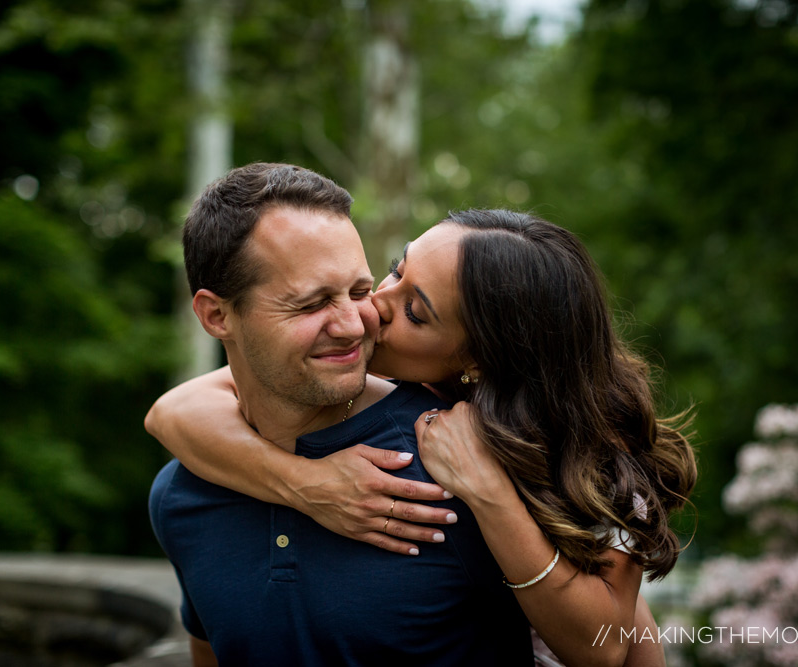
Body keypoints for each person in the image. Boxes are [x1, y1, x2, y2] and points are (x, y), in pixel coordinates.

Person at [148, 201, 697, 665]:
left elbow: (606, 648)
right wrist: (306, 482)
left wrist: (489, 491)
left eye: (414, 310)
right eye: (395, 269)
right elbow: (174, 411)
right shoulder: (355, 372)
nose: (371, 308)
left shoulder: (578, 455)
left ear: (479, 359)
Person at [148, 162, 533, 666]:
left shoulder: (463, 466)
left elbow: (607, 639)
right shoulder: (181, 497)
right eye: (312, 304)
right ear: (217, 316)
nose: (354, 326)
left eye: (358, 291)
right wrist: (300, 481)